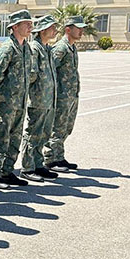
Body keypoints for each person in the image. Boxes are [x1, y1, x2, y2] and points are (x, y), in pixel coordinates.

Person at [0, 10, 34, 187]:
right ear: (14, 26)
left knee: (15, 138)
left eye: (30, 23)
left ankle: (7, 171)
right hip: (5, 104)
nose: (30, 26)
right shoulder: (7, 48)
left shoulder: (25, 48)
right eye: (26, 23)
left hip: (20, 103)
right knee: (1, 138)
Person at [20, 14, 59, 182]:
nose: (55, 30)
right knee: (33, 133)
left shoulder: (47, 48)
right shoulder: (34, 48)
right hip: (38, 99)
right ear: (43, 30)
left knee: (44, 133)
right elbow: (32, 75)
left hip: (48, 99)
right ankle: (28, 167)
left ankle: (38, 164)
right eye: (51, 27)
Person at [45, 15, 86, 171]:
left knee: (66, 127)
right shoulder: (60, 48)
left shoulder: (71, 47)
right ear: (68, 29)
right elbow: (51, 71)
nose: (81, 31)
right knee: (57, 127)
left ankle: (59, 156)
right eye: (78, 28)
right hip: (61, 96)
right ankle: (50, 158)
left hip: (71, 95)